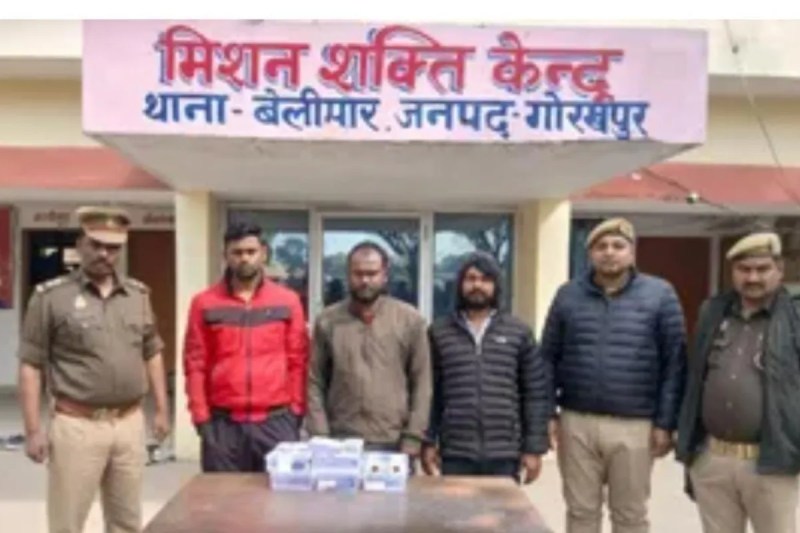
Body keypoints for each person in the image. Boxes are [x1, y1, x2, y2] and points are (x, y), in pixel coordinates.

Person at [17, 206, 170, 533]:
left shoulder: (137, 295)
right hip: (77, 425)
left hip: (129, 424)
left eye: (112, 247)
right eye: (96, 244)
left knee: (126, 521)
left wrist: (161, 410)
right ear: (80, 244)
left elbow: (152, 351)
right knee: (68, 522)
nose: (104, 254)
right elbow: (31, 364)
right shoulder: (51, 297)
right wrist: (32, 430)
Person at [539, 217, 687, 533]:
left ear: (632, 253)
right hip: (576, 422)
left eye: (618, 246)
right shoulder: (568, 295)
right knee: (580, 512)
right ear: (590, 254)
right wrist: (548, 413)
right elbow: (547, 358)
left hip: (635, 426)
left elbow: (674, 363)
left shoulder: (660, 294)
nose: (609, 252)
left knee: (630, 515)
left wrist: (665, 422)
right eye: (601, 246)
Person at [676, 232, 800, 533]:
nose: (753, 277)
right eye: (744, 269)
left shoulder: (795, 317)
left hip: (771, 462)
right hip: (712, 457)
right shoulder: (712, 312)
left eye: (762, 269)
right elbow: (695, 377)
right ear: (732, 272)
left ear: (779, 270)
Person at [183, 222, 309, 472]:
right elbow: (195, 363)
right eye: (237, 252)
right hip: (223, 425)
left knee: (278, 497)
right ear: (225, 255)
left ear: (263, 253)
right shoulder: (204, 303)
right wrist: (201, 416)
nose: (244, 258)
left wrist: (296, 410)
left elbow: (298, 360)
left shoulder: (287, 301)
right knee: (223, 496)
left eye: (251, 252)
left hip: (276, 422)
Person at [422, 252, 550, 483]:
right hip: (455, 452)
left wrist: (534, 448)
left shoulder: (518, 332)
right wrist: (428, 441)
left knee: (503, 508)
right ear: (460, 284)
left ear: (496, 285)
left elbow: (535, 393)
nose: (477, 285)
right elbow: (431, 393)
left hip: (504, 452)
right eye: (470, 279)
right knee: (454, 508)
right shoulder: (440, 332)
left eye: (485, 279)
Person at [307, 241, 431, 460]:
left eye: (372, 273)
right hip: (340, 440)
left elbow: (422, 382)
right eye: (358, 274)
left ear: (385, 275)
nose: (365, 280)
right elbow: (314, 381)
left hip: (393, 440)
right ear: (348, 275)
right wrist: (320, 434)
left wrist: (414, 436)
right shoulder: (328, 321)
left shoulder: (409, 320)